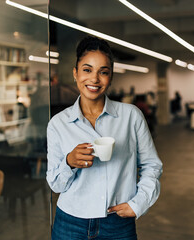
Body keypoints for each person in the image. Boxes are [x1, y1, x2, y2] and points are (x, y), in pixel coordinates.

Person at [46, 36, 163, 240]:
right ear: (75, 73)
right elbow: (56, 184)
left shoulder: (130, 116)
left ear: (111, 77)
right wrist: (69, 162)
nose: (94, 79)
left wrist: (138, 203)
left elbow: (151, 165)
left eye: (103, 72)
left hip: (117, 223)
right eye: (87, 69)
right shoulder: (58, 123)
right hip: (70, 223)